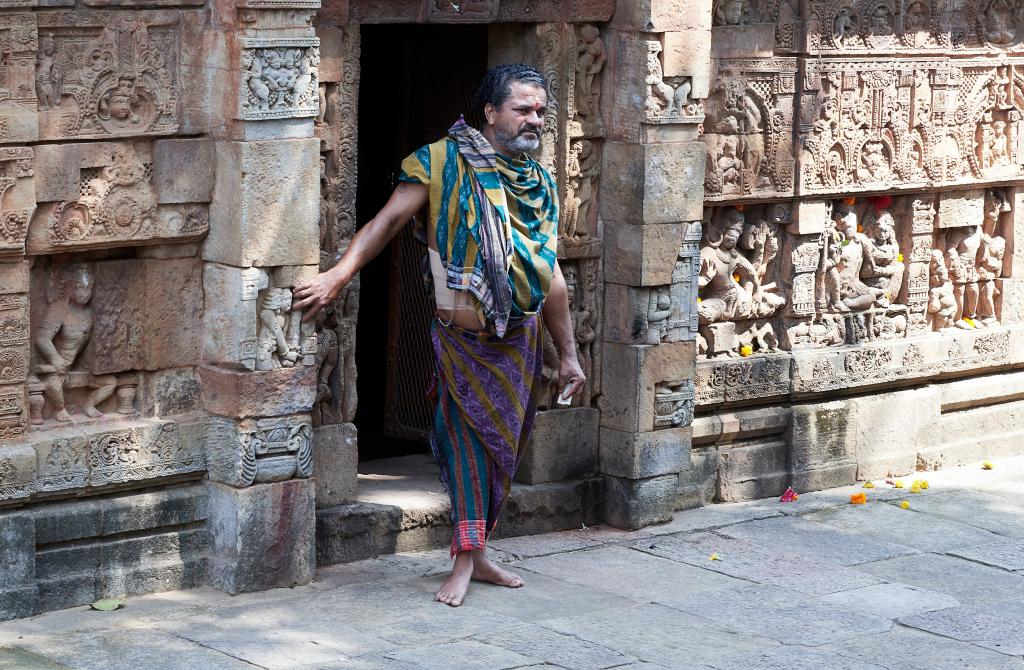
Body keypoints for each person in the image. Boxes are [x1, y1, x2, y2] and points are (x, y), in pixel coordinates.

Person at [293, 64, 585, 607]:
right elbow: (386, 222)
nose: (534, 120)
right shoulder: (439, 162)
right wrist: (338, 274)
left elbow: (552, 276)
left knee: (503, 452)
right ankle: (462, 559)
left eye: (541, 111)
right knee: (466, 446)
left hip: (518, 342)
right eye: (522, 109)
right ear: (491, 112)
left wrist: (567, 353)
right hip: (461, 341)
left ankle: (478, 554)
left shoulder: (539, 185)